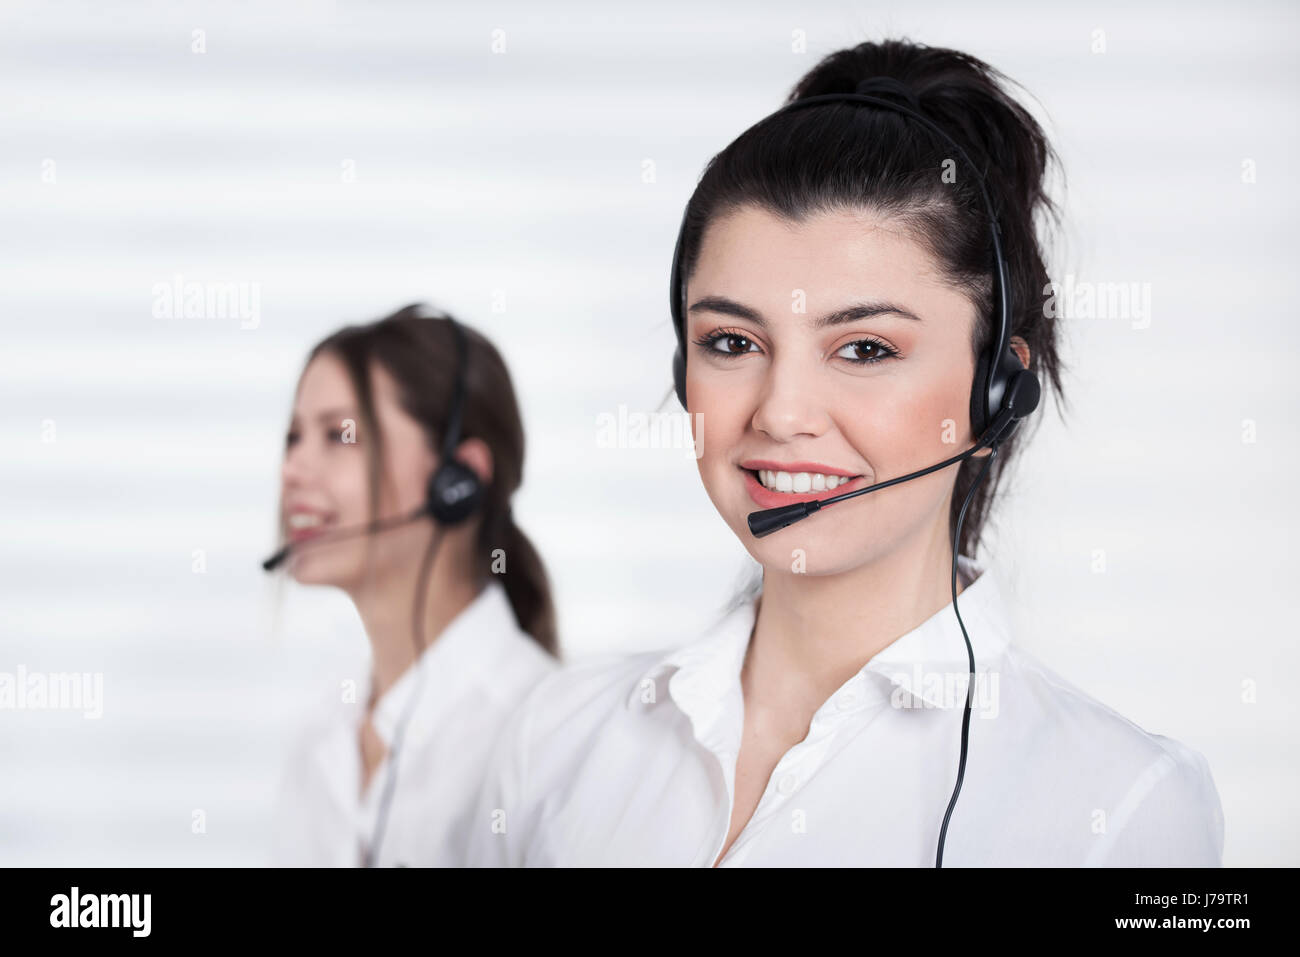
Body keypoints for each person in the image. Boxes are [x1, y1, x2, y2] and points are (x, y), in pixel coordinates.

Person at [463, 39, 1224, 866]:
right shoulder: (555, 739)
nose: (782, 413)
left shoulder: (1123, 805)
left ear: (995, 394)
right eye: (731, 340)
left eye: (864, 348)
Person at [268, 302, 559, 866]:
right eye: (293, 437)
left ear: (458, 481)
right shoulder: (322, 735)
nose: (292, 469)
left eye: (339, 435)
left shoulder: (541, 736)